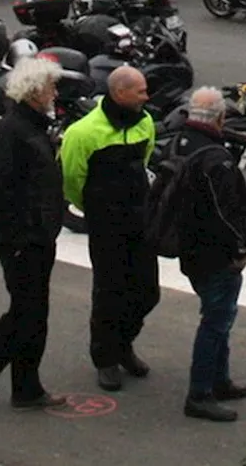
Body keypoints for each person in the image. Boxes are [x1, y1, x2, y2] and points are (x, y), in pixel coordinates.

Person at [0, 57, 68, 414]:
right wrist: (17, 242)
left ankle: (27, 387)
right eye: (51, 86)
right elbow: (1, 194)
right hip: (21, 241)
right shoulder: (12, 133)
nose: (55, 92)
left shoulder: (31, 126)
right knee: (25, 313)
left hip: (38, 236)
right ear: (35, 92)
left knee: (35, 313)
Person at [59, 66, 159, 392]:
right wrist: (96, 211)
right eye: (140, 91)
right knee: (109, 293)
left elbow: (144, 162)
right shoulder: (83, 132)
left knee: (147, 292)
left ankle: (123, 345)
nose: (147, 96)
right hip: (106, 225)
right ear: (119, 93)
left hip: (139, 220)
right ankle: (105, 359)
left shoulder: (144, 122)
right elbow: (72, 180)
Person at [170, 87, 246, 423]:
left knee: (218, 317)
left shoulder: (181, 144)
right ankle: (200, 392)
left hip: (189, 248)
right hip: (214, 255)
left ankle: (219, 379)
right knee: (216, 321)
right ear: (219, 118)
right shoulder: (217, 160)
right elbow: (227, 213)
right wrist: (240, 250)